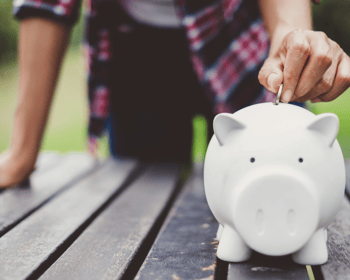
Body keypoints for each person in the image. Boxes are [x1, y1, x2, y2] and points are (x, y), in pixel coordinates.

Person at [0, 0, 349, 188]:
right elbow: (46, 3)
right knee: (142, 202)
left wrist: (292, 35)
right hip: (136, 52)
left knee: (274, 182)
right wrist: (22, 152)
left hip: (241, 41)